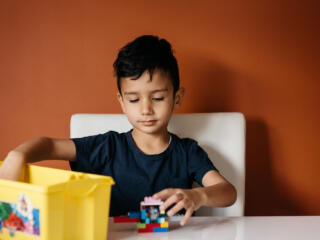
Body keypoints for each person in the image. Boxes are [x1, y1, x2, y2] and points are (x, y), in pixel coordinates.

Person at [0, 35, 236, 226]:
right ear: (122, 101)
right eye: (134, 100)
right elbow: (50, 145)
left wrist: (198, 195)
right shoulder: (108, 147)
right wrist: (17, 155)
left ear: (177, 98)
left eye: (157, 97)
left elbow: (227, 192)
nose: (146, 109)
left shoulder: (187, 152)